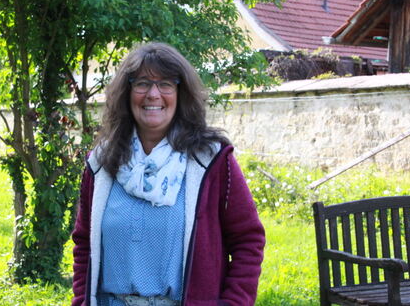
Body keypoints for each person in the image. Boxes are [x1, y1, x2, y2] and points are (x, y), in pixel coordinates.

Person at [71, 42, 265, 306]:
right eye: (141, 83)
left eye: (165, 84)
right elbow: (84, 244)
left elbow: (248, 240)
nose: (153, 94)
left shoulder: (210, 161)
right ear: (127, 93)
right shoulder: (102, 164)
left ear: (180, 93)